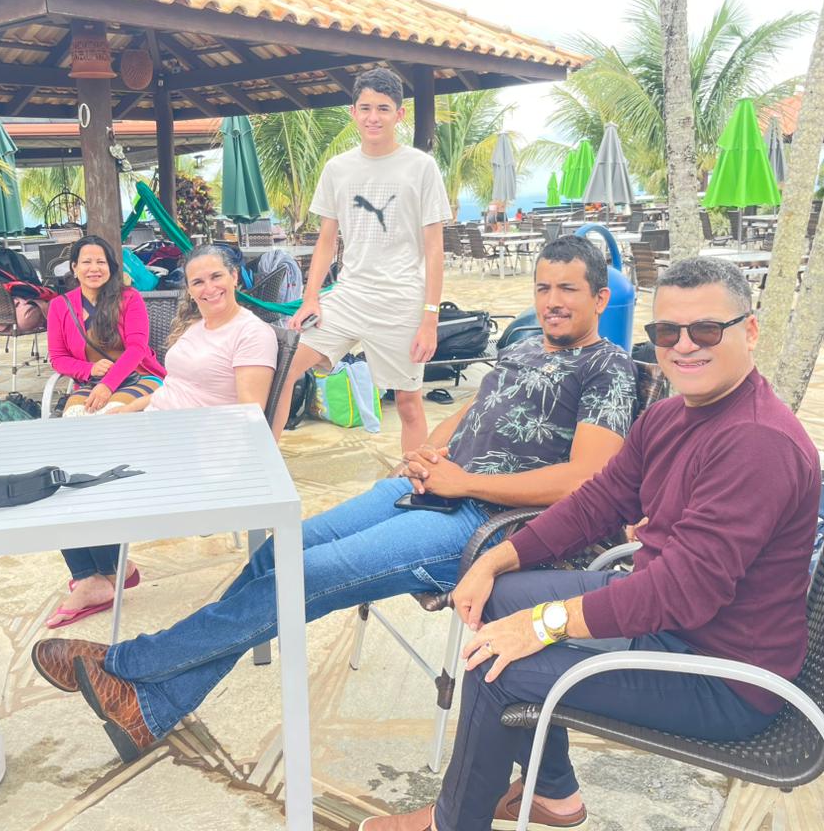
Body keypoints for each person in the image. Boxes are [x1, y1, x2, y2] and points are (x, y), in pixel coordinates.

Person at [32, 237, 639, 762]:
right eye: (543, 288)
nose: (552, 301)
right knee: (276, 554)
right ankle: (153, 706)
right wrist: (428, 451)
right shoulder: (523, 347)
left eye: (567, 289)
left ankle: (131, 666)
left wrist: (465, 483)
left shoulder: (607, 367)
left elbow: (584, 479)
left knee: (305, 573)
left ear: (599, 298)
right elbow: (475, 409)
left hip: (488, 523)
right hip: (430, 487)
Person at [363, 257, 822, 831]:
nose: (684, 346)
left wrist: (545, 624)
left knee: (498, 662)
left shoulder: (756, 442)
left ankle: (452, 823)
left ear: (748, 331)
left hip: (723, 676)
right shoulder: (672, 416)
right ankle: (554, 795)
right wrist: (494, 560)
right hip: (671, 626)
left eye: (706, 330)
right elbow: (595, 504)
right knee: (500, 599)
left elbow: (682, 592)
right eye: (667, 332)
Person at [43, 245, 277, 629]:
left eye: (216, 277)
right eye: (197, 282)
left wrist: (171, 433)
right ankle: (103, 572)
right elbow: (174, 387)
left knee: (78, 472)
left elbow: (247, 415)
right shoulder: (199, 328)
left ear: (235, 277)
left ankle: (99, 576)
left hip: (189, 449)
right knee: (67, 453)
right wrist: (130, 410)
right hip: (161, 428)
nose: (208, 288)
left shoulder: (251, 334)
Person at [274, 67, 450, 454]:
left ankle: (414, 480)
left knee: (408, 403)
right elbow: (326, 240)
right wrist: (310, 297)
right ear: (353, 112)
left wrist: (430, 319)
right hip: (349, 296)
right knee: (284, 370)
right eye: (366, 108)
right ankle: (264, 467)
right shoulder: (337, 168)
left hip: (401, 301)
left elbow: (435, 249)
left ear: (399, 115)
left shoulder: (421, 167)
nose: (374, 117)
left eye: (383, 109)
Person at [47, 235, 166, 419]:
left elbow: (137, 348)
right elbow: (58, 358)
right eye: (87, 262)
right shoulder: (59, 306)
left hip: (138, 375)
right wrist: (89, 369)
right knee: (75, 416)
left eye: (101, 262)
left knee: (114, 413)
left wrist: (108, 385)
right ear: (74, 267)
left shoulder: (130, 298)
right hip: (92, 382)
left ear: (110, 267)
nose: (94, 268)